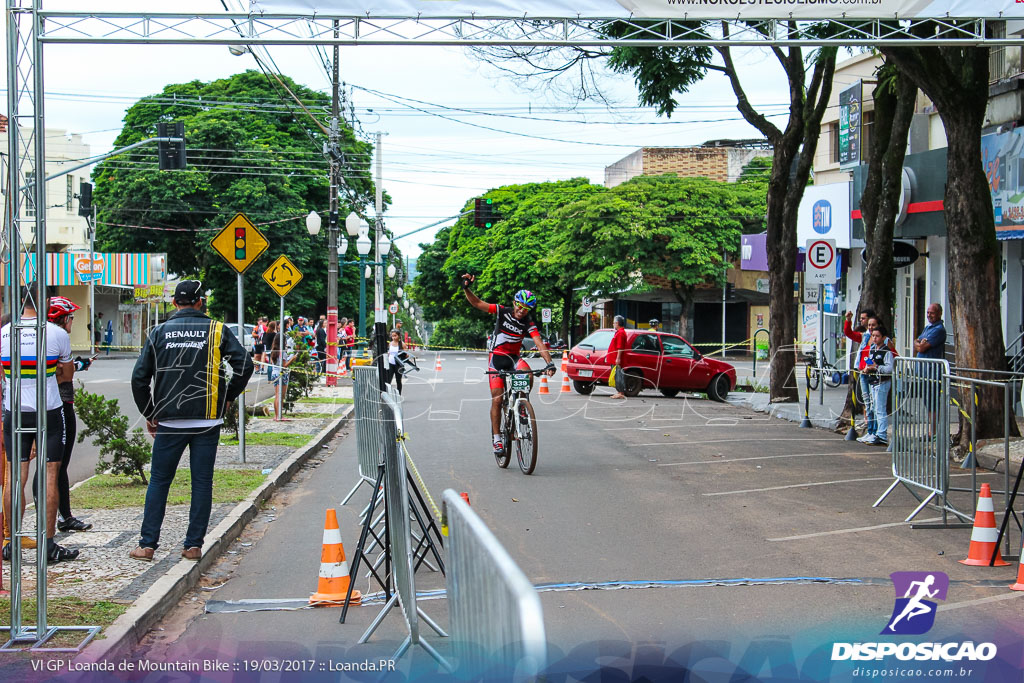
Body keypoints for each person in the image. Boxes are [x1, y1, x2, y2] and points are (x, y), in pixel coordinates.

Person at [129, 280, 253, 562]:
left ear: (174, 303)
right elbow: (244, 365)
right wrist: (227, 397)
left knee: (159, 481)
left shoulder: (157, 332)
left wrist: (150, 412)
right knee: (202, 483)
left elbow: (139, 379)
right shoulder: (217, 330)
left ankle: (147, 546)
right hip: (207, 420)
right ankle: (193, 546)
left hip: (169, 421)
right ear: (200, 302)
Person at [1, 288, 80, 563]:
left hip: (15, 410)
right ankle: (47, 544)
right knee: (49, 475)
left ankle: (11, 541)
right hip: (48, 410)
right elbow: (67, 375)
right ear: (45, 302)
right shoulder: (57, 334)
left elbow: (3, 372)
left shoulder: (5, 332)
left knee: (14, 477)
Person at [460, 274, 557, 457]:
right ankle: (497, 438)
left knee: (527, 373)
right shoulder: (501, 311)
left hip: (513, 359)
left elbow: (538, 342)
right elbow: (478, 303)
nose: (522, 310)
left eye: (527, 308)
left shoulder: (528, 323)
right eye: (520, 306)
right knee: (497, 400)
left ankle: (521, 405)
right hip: (496, 359)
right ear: (514, 303)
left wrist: (549, 362)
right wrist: (466, 288)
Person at [28, 297, 95, 536]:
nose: (73, 322)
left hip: (49, 403)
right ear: (62, 318)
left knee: (57, 465)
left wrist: (78, 364)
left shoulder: (43, 336)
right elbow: (62, 375)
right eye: (71, 317)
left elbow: (61, 368)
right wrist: (72, 367)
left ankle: (64, 515)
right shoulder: (58, 336)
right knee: (53, 464)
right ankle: (49, 517)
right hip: (58, 404)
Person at [861, 328, 895, 446]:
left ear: (883, 338)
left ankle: (882, 434)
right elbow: (870, 363)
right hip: (873, 382)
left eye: (877, 336)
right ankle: (876, 432)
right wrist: (867, 368)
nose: (875, 338)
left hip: (882, 382)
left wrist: (876, 368)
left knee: (880, 409)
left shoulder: (886, 352)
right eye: (873, 336)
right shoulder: (872, 349)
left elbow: (889, 368)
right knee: (874, 408)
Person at [269, 325, 297, 419]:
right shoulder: (283, 352)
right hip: (282, 374)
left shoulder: (274, 350)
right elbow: (284, 365)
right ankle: (279, 416)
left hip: (274, 373)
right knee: (281, 396)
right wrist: (292, 359)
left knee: (277, 395)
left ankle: (276, 415)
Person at [608, 315, 629, 400]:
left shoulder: (620, 333)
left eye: (614, 322)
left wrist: (618, 358)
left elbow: (620, 347)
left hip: (617, 358)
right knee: (617, 375)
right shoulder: (619, 332)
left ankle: (621, 392)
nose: (613, 324)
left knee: (619, 375)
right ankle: (619, 392)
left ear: (617, 323)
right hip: (614, 358)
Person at [385, 330, 406, 394]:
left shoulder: (402, 344)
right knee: (388, 380)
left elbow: (406, 354)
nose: (393, 337)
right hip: (391, 363)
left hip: (398, 364)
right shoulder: (390, 343)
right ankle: (387, 394)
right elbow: (389, 353)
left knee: (398, 380)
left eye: (395, 336)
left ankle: (399, 394)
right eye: (392, 336)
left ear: (399, 336)